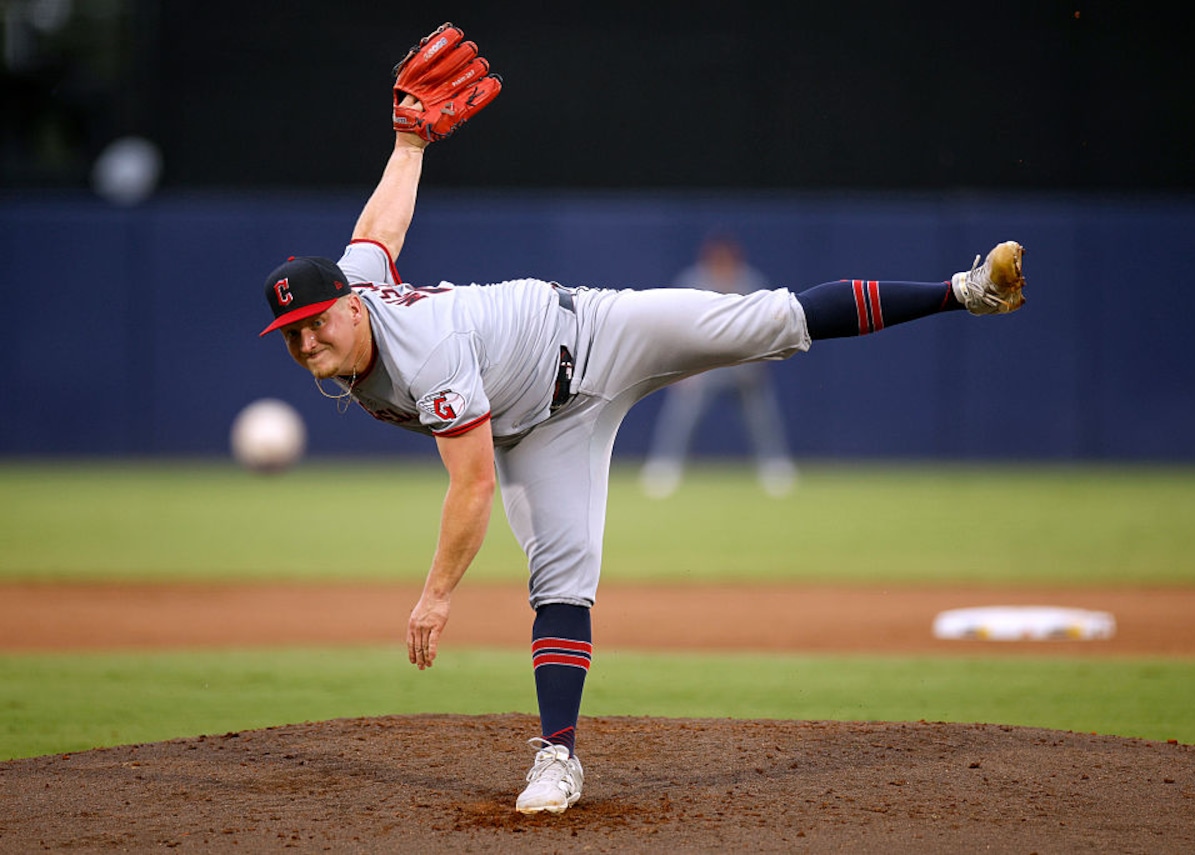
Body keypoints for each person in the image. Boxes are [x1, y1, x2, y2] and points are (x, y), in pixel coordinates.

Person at [257, 24, 1027, 816]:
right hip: (540, 432)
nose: (310, 339)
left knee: (769, 321)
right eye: (295, 334)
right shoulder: (354, 287)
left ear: (352, 307)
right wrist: (409, 142)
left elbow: (472, 487)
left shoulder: (424, 354)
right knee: (561, 578)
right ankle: (559, 756)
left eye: (319, 321)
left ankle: (967, 290)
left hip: (595, 332)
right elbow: (379, 231)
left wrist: (436, 596)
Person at [640, 233, 798, 498]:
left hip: (742, 365)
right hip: (705, 367)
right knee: (682, 416)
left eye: (727, 260)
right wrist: (682, 369)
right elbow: (677, 328)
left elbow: (767, 327)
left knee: (762, 418)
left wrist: (759, 362)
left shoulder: (752, 282)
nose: (722, 264)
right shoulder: (692, 282)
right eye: (717, 260)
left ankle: (775, 467)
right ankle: (664, 467)